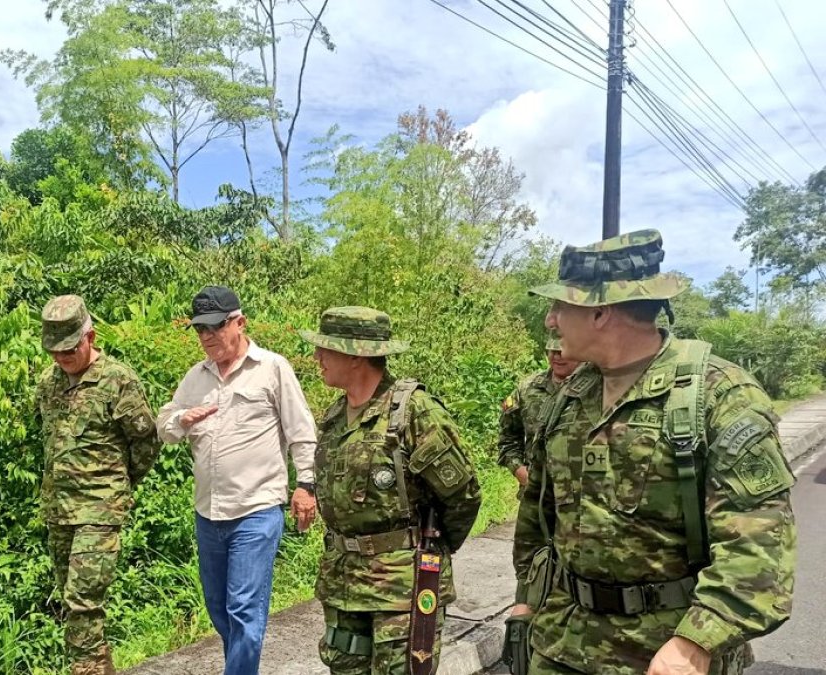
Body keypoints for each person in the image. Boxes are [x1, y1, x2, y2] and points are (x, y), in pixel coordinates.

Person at [509, 230, 796, 675]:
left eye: (560, 307)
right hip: (563, 641)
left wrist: (695, 643)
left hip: (665, 652)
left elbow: (759, 547)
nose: (550, 320)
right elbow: (539, 513)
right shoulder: (569, 395)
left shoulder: (719, 395)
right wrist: (526, 600)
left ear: (600, 312)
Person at [299, 306, 482, 675]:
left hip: (401, 589)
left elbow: (463, 496)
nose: (317, 356)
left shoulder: (413, 412)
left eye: (326, 348)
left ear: (356, 355)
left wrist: (428, 548)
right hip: (344, 584)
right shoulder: (335, 417)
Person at [157, 285, 318, 675]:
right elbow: (164, 427)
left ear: (239, 322)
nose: (207, 336)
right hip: (208, 514)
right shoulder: (196, 377)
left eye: (216, 326)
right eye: (200, 329)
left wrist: (306, 484)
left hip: (256, 510)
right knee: (218, 608)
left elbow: (301, 431)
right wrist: (181, 419)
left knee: (244, 608)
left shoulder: (272, 368)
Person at [37, 295, 161, 675]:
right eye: (55, 350)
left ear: (90, 336)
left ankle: (84, 670)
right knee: (72, 602)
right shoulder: (47, 383)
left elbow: (145, 441)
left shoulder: (118, 379)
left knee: (83, 601)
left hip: (100, 508)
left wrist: (117, 486)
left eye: (69, 348)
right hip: (59, 509)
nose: (62, 357)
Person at [497, 337, 581, 488]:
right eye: (553, 351)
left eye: (563, 351)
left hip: (582, 492)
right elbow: (508, 439)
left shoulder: (598, 388)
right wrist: (520, 471)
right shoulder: (527, 389)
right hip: (536, 492)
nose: (557, 357)